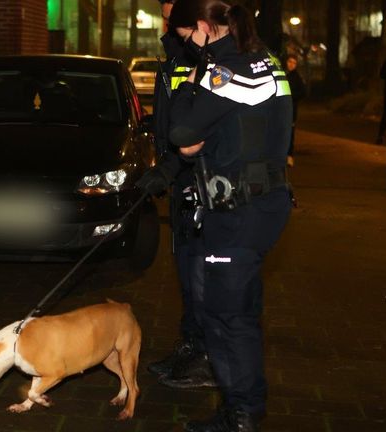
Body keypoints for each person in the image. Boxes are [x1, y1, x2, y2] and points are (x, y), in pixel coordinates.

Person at [164, 0, 292, 430]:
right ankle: (242, 408)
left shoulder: (225, 70)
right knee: (238, 310)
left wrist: (192, 80)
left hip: (238, 209)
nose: (189, 47)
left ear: (203, 27)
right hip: (263, 202)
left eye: (189, 38)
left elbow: (181, 131)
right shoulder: (267, 61)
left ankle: (241, 416)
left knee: (225, 316)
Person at [137, 0, 216, 390]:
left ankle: (204, 359)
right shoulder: (173, 52)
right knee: (185, 273)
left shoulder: (206, 55)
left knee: (201, 277)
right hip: (181, 180)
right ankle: (190, 347)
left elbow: (201, 129)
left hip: (202, 181)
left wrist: (173, 167)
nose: (167, 12)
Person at [285, 54, 306, 166]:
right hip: (284, 108)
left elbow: (303, 92)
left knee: (290, 132)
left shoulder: (296, 77)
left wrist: (292, 97)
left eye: (294, 63)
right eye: (290, 62)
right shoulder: (285, 74)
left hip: (292, 109)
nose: (291, 65)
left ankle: (289, 155)